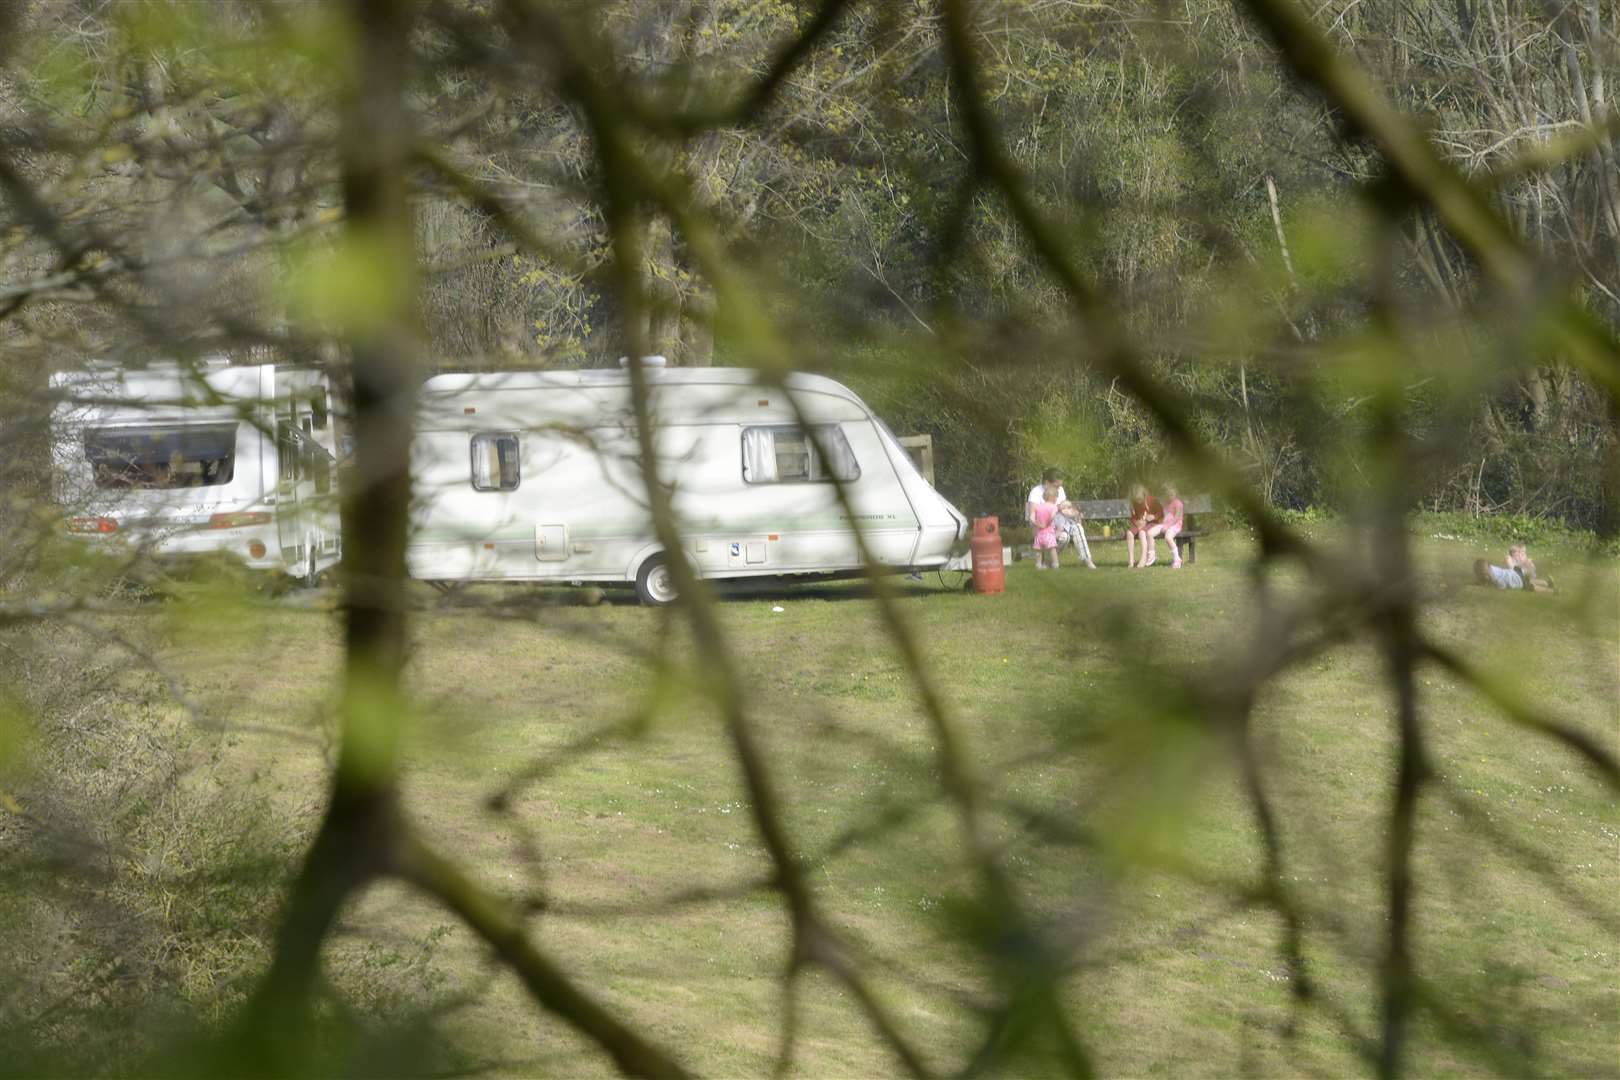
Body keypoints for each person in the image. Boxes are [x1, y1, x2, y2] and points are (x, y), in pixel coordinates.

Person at [1473, 543, 1554, 592]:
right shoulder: (1492, 567)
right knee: (1531, 580)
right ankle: (1547, 583)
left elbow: (1502, 586)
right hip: (1515, 572)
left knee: (1531, 587)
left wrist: (1497, 587)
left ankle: (1551, 591)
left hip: (1516, 580)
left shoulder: (1496, 579)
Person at [1126, 483, 1162, 569]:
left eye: (1140, 500)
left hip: (1152, 523)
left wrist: (1153, 516)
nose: (1139, 502)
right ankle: (1131, 560)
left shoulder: (1152, 500)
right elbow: (1133, 517)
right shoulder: (1134, 503)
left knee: (1142, 533)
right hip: (1140, 524)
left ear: (1144, 495)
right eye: (1137, 500)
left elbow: (1160, 512)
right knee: (1129, 533)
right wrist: (1136, 522)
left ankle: (1143, 558)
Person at [1054, 500, 1096, 569]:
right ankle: (1051, 559)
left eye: (1070, 507)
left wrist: (1077, 514)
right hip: (1054, 528)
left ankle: (1088, 560)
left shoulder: (1061, 490)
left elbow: (1073, 516)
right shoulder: (1038, 492)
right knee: (1065, 537)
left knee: (1078, 527)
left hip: (1066, 525)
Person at [1030, 489, 1061, 569]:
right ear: (1053, 497)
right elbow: (1052, 517)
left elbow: (1031, 517)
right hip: (1049, 533)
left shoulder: (1038, 507)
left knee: (1039, 550)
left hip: (1039, 533)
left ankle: (1038, 564)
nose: (1056, 499)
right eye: (1056, 497)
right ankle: (1055, 564)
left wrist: (1038, 524)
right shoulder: (1054, 507)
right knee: (1052, 549)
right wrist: (1046, 524)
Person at [1158, 483, 1186, 569]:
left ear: (1176, 494)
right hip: (1167, 525)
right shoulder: (1166, 504)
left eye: (1171, 494)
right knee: (1150, 533)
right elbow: (1165, 517)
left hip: (1176, 525)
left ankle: (1177, 559)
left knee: (1168, 537)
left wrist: (1167, 526)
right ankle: (1151, 556)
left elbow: (1177, 518)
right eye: (1167, 495)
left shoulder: (1178, 503)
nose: (1169, 496)